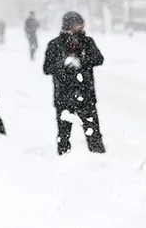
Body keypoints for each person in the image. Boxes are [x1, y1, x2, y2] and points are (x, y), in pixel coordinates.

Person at [43, 11, 106, 155]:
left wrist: (81, 62)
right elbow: (47, 68)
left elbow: (99, 59)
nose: (82, 27)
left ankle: (100, 161)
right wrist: (63, 65)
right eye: (78, 24)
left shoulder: (87, 42)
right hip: (63, 96)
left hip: (86, 95)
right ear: (69, 25)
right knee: (64, 134)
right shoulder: (55, 45)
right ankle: (64, 161)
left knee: (93, 133)